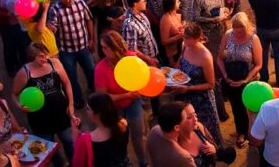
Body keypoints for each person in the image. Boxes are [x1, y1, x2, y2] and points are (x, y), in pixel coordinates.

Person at [11, 43, 77, 165]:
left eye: (46, 55)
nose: (45, 58)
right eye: (41, 56)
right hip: (39, 118)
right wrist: (20, 106)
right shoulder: (24, 72)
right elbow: (14, 94)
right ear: (32, 57)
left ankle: (75, 162)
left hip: (61, 112)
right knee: (48, 146)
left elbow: (67, 83)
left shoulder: (55, 63)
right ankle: (60, 164)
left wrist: (71, 104)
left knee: (69, 140)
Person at [95, 32, 148, 166]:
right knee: (118, 137)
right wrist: (127, 95)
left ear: (115, 47)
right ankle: (122, 161)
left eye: (105, 47)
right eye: (101, 47)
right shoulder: (100, 69)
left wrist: (139, 89)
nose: (103, 50)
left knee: (138, 134)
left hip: (133, 102)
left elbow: (142, 77)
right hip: (114, 107)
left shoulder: (131, 58)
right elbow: (103, 98)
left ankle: (143, 161)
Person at [48, 0, 97, 110]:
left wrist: (92, 39)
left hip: (83, 46)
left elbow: (89, 20)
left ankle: (95, 94)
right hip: (67, 50)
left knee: (91, 71)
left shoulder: (80, 3)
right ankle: (78, 99)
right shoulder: (55, 9)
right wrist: (51, 28)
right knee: (71, 77)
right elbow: (53, 26)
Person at [173, 23, 223, 147]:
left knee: (208, 127)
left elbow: (211, 84)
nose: (183, 40)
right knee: (190, 127)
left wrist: (188, 88)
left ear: (196, 38)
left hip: (203, 99)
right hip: (187, 96)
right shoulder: (184, 45)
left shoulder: (205, 56)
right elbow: (180, 61)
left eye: (186, 38)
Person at [217, 12, 262, 149]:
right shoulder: (228, 35)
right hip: (230, 80)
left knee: (250, 109)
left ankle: (254, 134)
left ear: (246, 27)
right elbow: (219, 57)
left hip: (247, 80)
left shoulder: (253, 39)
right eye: (235, 30)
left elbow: (259, 64)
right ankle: (241, 133)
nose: (237, 33)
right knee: (236, 108)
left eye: (240, 31)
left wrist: (246, 80)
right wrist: (225, 75)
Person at [73, 92, 131, 167]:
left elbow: (77, 163)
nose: (86, 111)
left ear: (98, 114)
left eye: (88, 108)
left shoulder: (85, 140)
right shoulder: (123, 125)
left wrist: (75, 134)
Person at [146, 101, 197, 167]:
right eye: (188, 118)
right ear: (176, 127)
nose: (195, 119)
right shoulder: (184, 157)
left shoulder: (154, 130)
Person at [121, 0, 159, 66]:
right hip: (144, 63)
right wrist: (149, 60)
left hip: (153, 57)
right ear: (135, 3)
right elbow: (132, 50)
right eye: (144, 1)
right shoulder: (130, 24)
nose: (146, 3)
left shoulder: (142, 15)